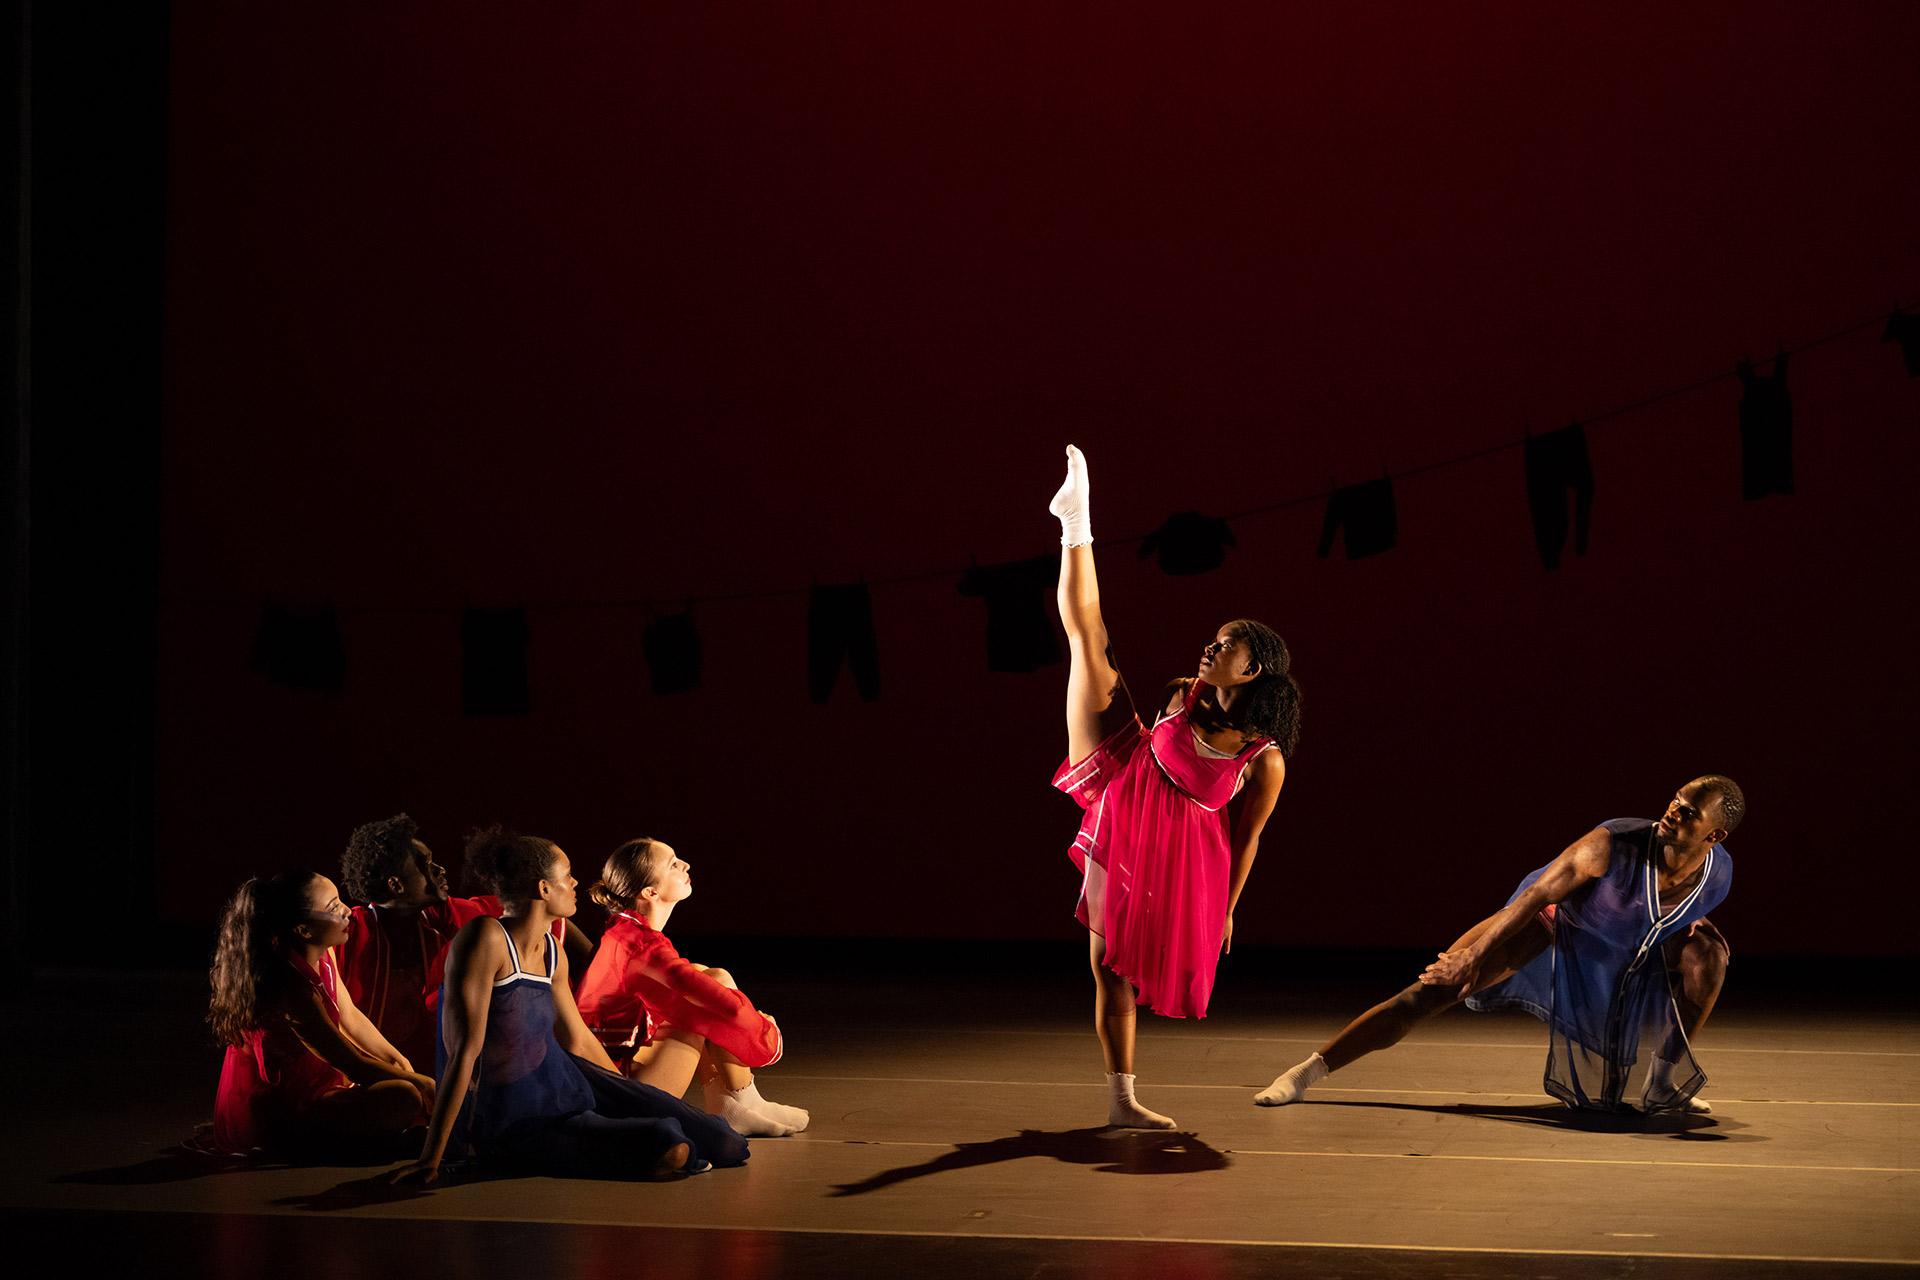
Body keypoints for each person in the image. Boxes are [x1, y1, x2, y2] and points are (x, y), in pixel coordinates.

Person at [1048, 444, 1301, 1129]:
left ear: (1253, 672)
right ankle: (1077, 524)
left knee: (1113, 968)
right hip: (1125, 778)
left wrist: (1225, 909)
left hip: (1177, 853)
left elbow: (1246, 840)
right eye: (1213, 640)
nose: (1211, 648)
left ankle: (1121, 1100)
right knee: (1090, 641)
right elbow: (1149, 744)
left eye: (1228, 646)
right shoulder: (1177, 695)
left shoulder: (1262, 756)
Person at [1256, 776, 1742, 1115]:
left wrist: (1692, 935)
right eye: (1676, 798)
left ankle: (1661, 1080)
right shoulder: (1612, 843)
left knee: (1711, 958)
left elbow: (1664, 910)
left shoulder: (1718, 872)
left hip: (1609, 944)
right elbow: (1534, 897)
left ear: (1714, 834)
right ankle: (1307, 1073)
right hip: (1548, 922)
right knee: (1430, 992)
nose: (1673, 809)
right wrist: (1472, 955)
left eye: (1689, 811)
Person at [394, 826, 748, 1183]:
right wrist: (434, 1157)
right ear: (543, 888)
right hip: (517, 1115)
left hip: (565, 1081)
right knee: (670, 1145)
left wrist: (629, 1096)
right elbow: (463, 1053)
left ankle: (626, 1127)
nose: (577, 882)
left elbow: (577, 1040)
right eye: (567, 876)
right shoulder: (485, 939)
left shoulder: (552, 951)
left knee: (725, 1142)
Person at [576, 837, 808, 1137]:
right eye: (673, 864)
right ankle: (738, 1102)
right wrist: (768, 1035)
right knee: (699, 1009)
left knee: (710, 975)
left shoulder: (625, 930)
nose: (685, 865)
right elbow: (719, 1007)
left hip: (609, 1078)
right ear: (650, 891)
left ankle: (740, 1102)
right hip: (619, 1094)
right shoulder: (641, 946)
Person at [337, 813, 590, 1070]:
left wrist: (596, 969)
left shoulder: (455, 917)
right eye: (425, 864)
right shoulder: (349, 934)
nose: (439, 869)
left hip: (450, 1076)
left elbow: (539, 910)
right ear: (396, 885)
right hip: (374, 1078)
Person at [208, 870, 435, 1156]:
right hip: (290, 1104)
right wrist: (425, 1084)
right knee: (404, 1096)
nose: (347, 912)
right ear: (303, 930)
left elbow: (350, 1015)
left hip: (319, 1087)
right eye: (332, 908)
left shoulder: (323, 953)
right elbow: (350, 1062)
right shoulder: (290, 988)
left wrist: (397, 1059)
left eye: (340, 900)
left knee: (403, 1085)